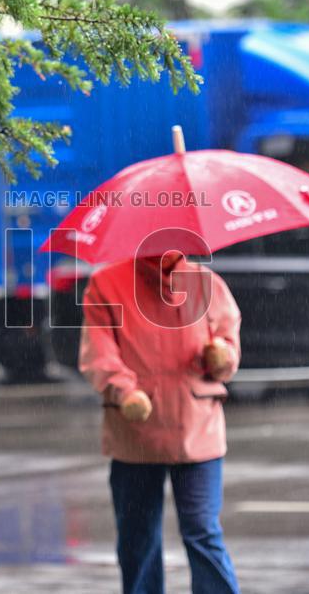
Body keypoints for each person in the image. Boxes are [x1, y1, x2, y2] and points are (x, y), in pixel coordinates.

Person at [79, 249, 241, 594]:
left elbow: (228, 343)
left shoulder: (206, 283)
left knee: (202, 530)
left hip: (197, 428)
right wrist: (126, 393)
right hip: (134, 432)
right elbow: (99, 354)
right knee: (138, 536)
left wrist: (222, 356)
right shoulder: (105, 284)